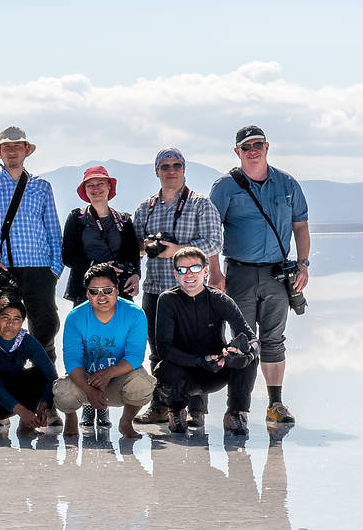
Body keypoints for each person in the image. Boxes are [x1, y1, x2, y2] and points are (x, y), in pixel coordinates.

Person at [208, 125, 310, 426]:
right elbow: (213, 233)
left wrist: (303, 264)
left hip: (278, 274)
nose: (253, 150)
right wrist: (215, 273)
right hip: (238, 272)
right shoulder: (225, 186)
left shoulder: (287, 183)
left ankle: (275, 404)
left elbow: (300, 226)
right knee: (242, 340)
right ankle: (237, 410)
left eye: (258, 144)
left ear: (267, 147)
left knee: (273, 339)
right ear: (237, 152)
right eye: (246, 146)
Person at [131, 148, 225, 424]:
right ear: (156, 171)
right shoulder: (144, 208)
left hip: (191, 290)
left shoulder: (201, 204)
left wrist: (177, 250)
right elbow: (134, 247)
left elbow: (214, 243)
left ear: (184, 169)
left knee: (197, 348)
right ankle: (161, 406)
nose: (171, 171)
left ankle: (196, 409)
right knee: (159, 351)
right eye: (164, 166)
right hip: (155, 288)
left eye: (176, 165)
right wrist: (146, 249)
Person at [153, 246, 258, 435]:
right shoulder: (168, 300)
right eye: (182, 270)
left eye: (194, 268)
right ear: (175, 274)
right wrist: (199, 361)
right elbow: (164, 349)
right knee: (164, 367)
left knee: (248, 358)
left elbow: (250, 337)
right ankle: (176, 410)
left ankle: (235, 413)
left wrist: (246, 354)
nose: (188, 275)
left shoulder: (220, 300)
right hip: (185, 371)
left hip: (216, 369)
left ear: (205, 271)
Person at [0, 126, 63, 359]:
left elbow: (53, 230)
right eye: (7, 147)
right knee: (5, 328)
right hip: (4, 269)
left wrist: (54, 270)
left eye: (17, 146)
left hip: (41, 269)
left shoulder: (42, 186)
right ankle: (9, 382)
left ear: (26, 150)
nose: (12, 151)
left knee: (46, 328)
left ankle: (45, 384)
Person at [53, 262, 156, 439]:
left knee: (143, 382)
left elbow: (135, 356)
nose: (101, 296)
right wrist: (89, 388)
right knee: (63, 391)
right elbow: (72, 360)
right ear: (87, 293)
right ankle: (70, 416)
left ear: (117, 290)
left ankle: (126, 421)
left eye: (107, 290)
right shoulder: (75, 317)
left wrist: (109, 373)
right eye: (94, 291)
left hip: (118, 380)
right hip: (87, 381)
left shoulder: (135, 313)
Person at [0, 295, 58, 439]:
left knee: (38, 374)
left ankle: (26, 426)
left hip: (10, 403)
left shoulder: (26, 341)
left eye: (16, 319)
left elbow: (51, 375)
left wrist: (44, 404)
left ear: (22, 322)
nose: (10, 324)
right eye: (5, 318)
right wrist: (21, 411)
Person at [62, 166, 141, 305]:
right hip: (85, 290)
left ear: (109, 186)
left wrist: (136, 274)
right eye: (90, 185)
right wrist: (98, 266)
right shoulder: (77, 219)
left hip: (119, 289)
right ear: (85, 190)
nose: (95, 188)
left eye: (100, 183)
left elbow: (133, 254)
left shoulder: (123, 220)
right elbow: (68, 256)